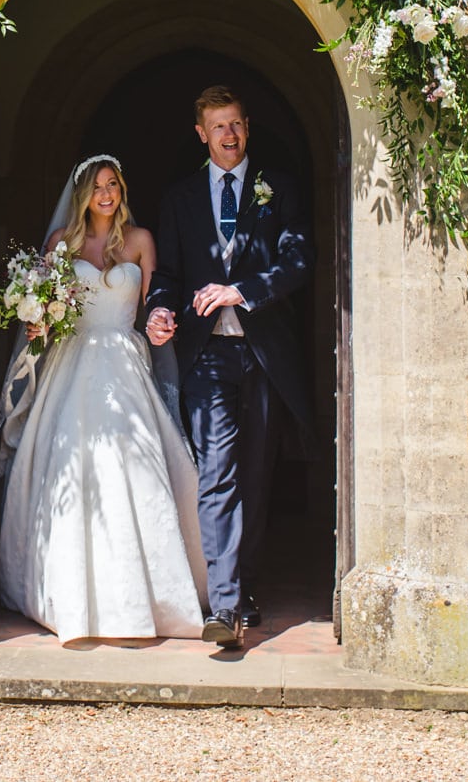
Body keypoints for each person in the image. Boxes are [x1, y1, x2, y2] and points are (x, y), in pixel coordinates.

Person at [0, 155, 208, 642]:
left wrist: (160, 321)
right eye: (97, 187)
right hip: (72, 365)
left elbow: (158, 300)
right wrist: (38, 320)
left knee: (139, 471)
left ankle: (151, 597)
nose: (107, 194)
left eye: (113, 185)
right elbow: (46, 306)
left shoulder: (139, 242)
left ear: (122, 189)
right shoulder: (60, 244)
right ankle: (74, 597)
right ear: (83, 196)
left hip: (126, 363)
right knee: (75, 473)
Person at [146, 86, 311, 649]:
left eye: (236, 124)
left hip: (263, 353)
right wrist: (158, 311)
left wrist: (240, 290)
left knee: (257, 474)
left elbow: (297, 263)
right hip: (207, 354)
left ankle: (242, 587)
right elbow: (166, 273)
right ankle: (224, 607)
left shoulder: (279, 189)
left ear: (247, 127)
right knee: (218, 472)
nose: (229, 135)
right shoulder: (179, 199)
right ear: (201, 134)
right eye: (218, 127)